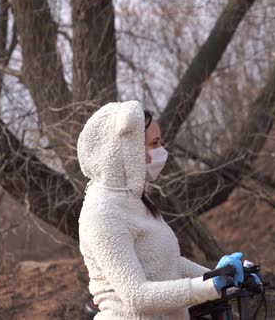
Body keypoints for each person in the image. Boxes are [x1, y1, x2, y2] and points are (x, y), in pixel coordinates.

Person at [77, 101, 245, 320]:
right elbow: (137, 297)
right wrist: (210, 287)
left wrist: (225, 279)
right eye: (154, 143)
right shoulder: (102, 213)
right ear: (127, 150)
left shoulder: (134, 202)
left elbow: (167, 264)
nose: (161, 151)